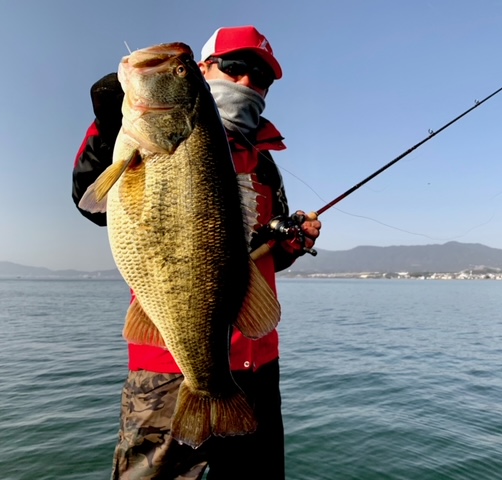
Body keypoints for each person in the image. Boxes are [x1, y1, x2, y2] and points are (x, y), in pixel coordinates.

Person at [72, 25, 321, 479]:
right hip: (166, 366)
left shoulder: (265, 163)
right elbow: (91, 203)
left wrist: (291, 243)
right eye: (236, 66)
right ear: (204, 70)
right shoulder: (140, 131)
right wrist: (107, 123)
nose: (247, 81)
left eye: (261, 76)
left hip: (256, 367)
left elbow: (258, 253)